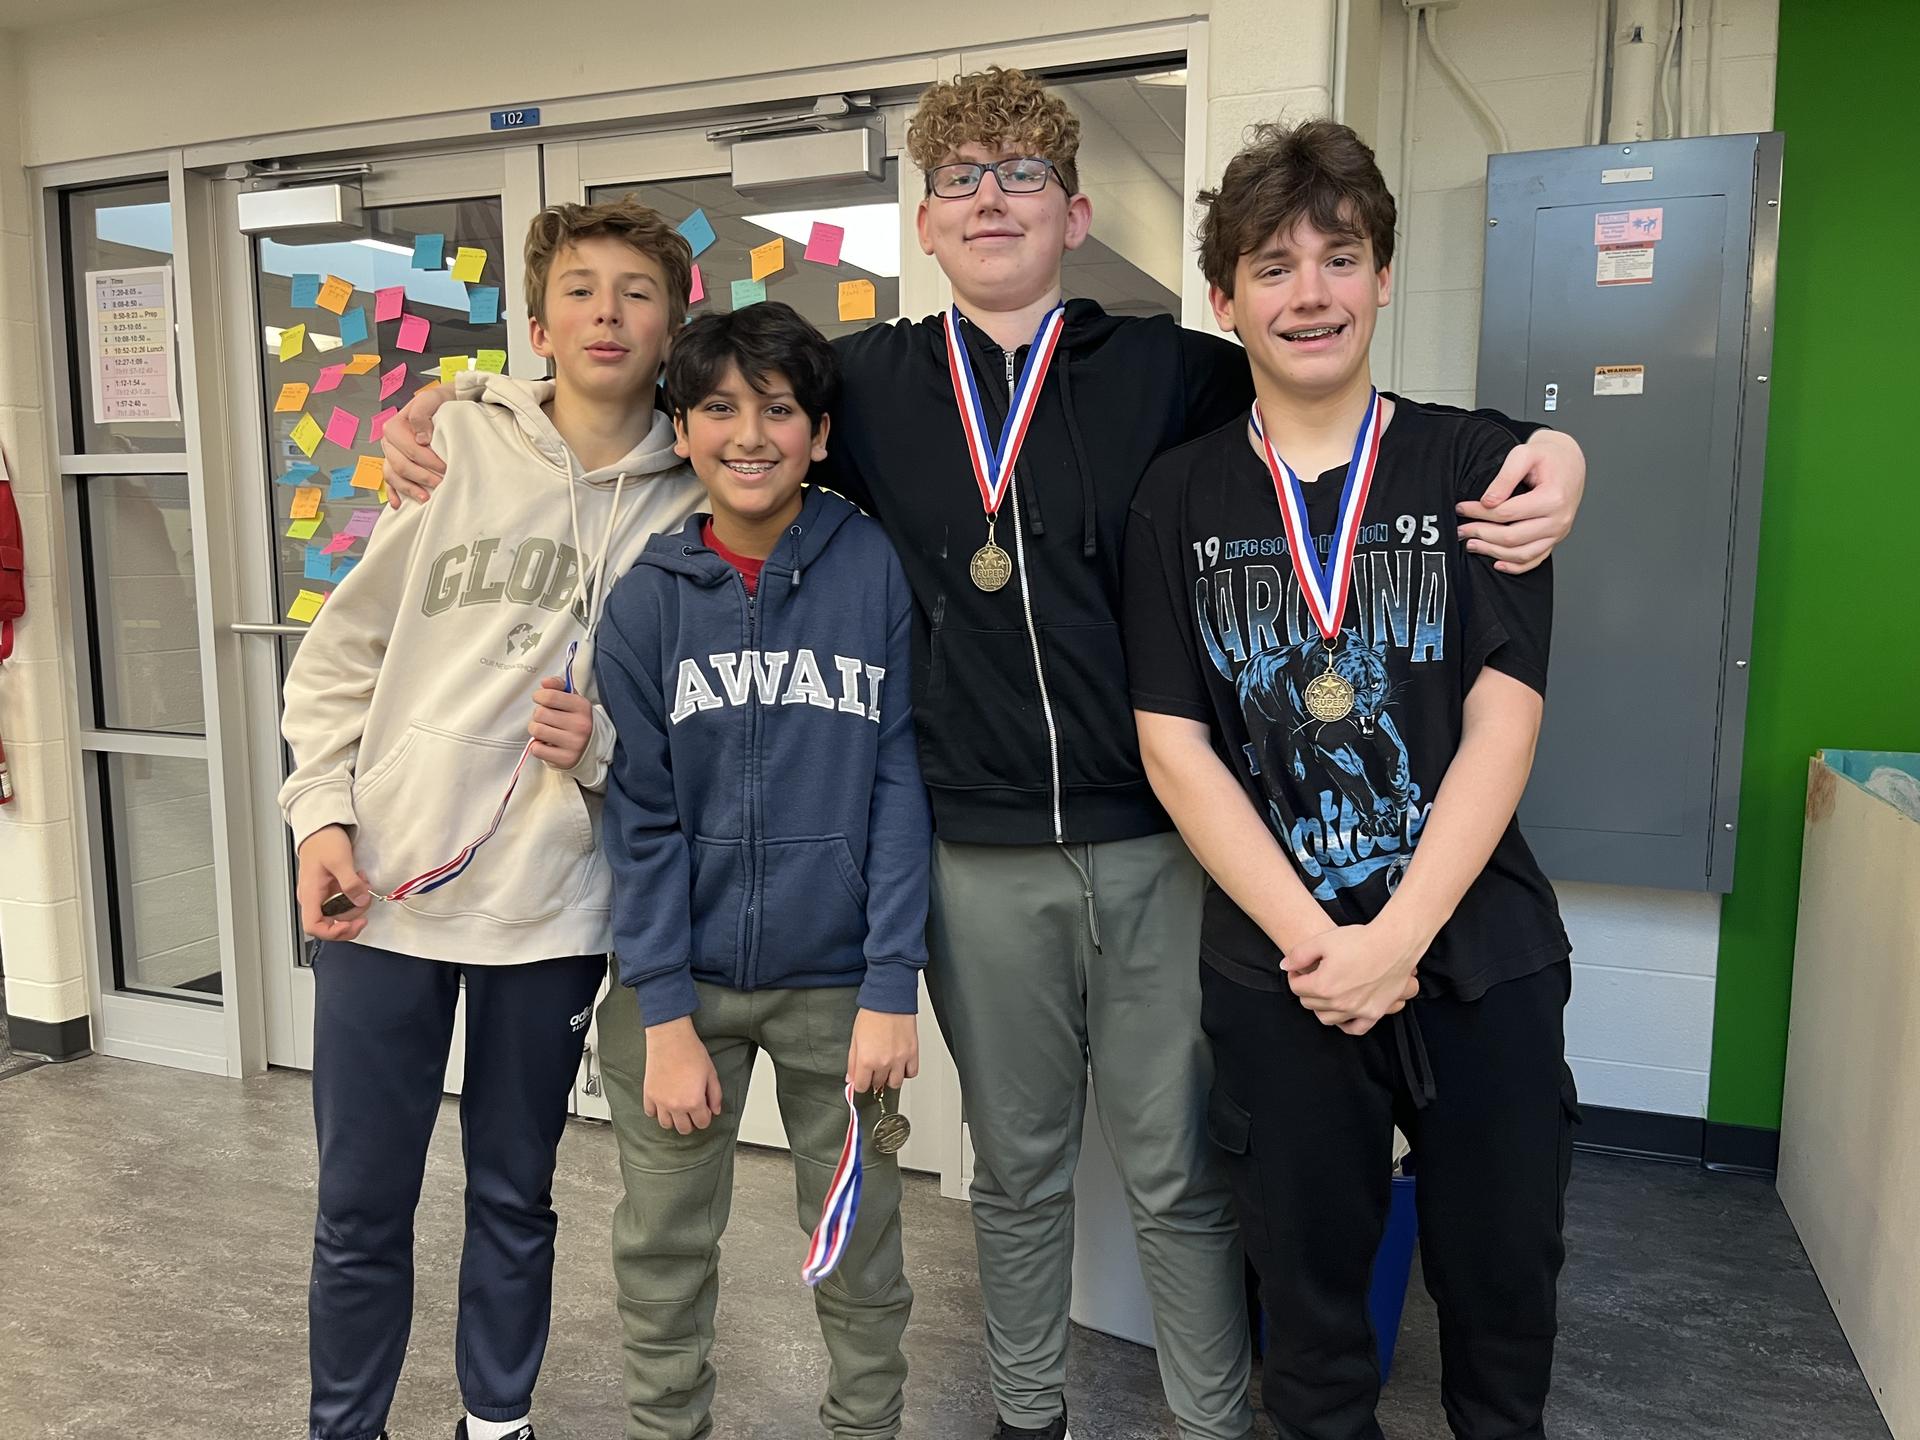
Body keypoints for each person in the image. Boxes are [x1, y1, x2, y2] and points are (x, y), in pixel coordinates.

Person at [380, 68, 1587, 1440]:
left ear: (1076, 213)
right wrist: (457, 402)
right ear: (926, 221)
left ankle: (1209, 1420)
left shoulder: (1170, 370)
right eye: (961, 178)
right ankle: (1027, 1416)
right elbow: (691, 419)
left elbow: (1332, 397)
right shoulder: (867, 384)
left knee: (1179, 1171)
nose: (992, 198)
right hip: (979, 853)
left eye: (1024, 174)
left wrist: (1552, 449)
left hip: (1162, 847)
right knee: (1016, 1172)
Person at [1124, 118, 1575, 1440]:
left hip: (1476, 950)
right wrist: (1325, 947)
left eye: (1339, 257)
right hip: (1284, 968)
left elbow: (1505, 719)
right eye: (1272, 266)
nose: (1309, 292)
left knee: (1504, 1293)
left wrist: (1398, 941)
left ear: (1383, 276)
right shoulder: (1177, 499)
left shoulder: (1475, 466)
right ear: (1225, 300)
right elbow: (1175, 746)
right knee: (1310, 1324)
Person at [279, 196, 705, 1440]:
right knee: (360, 1204)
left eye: (636, 292)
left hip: (554, 906)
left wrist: (603, 753)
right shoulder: (455, 447)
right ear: (538, 325)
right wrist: (320, 820)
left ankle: (496, 1424)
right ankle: (343, 1428)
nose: (607, 314)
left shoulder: (699, 492)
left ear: (674, 323)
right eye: (580, 291)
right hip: (387, 889)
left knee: (516, 1196)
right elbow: (339, 659)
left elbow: (692, 725)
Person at [590, 300, 928, 1440]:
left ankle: (866, 1427)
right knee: (664, 1244)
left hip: (839, 987)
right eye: (720, 409)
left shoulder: (871, 568)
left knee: (860, 1236)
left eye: (778, 410)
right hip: (678, 983)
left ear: (819, 435)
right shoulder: (647, 599)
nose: (749, 435)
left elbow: (897, 780)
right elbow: (639, 818)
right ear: (680, 431)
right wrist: (664, 1013)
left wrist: (891, 983)